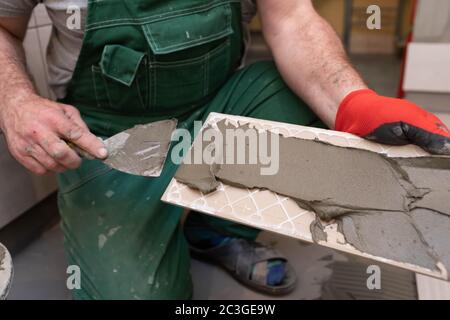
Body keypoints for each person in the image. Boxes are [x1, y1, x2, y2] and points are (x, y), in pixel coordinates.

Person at [0, 0, 449, 299]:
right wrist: (16, 101)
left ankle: (213, 230)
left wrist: (353, 101)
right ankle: (153, 222)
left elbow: (291, 17)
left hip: (214, 110)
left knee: (303, 99)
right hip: (108, 140)